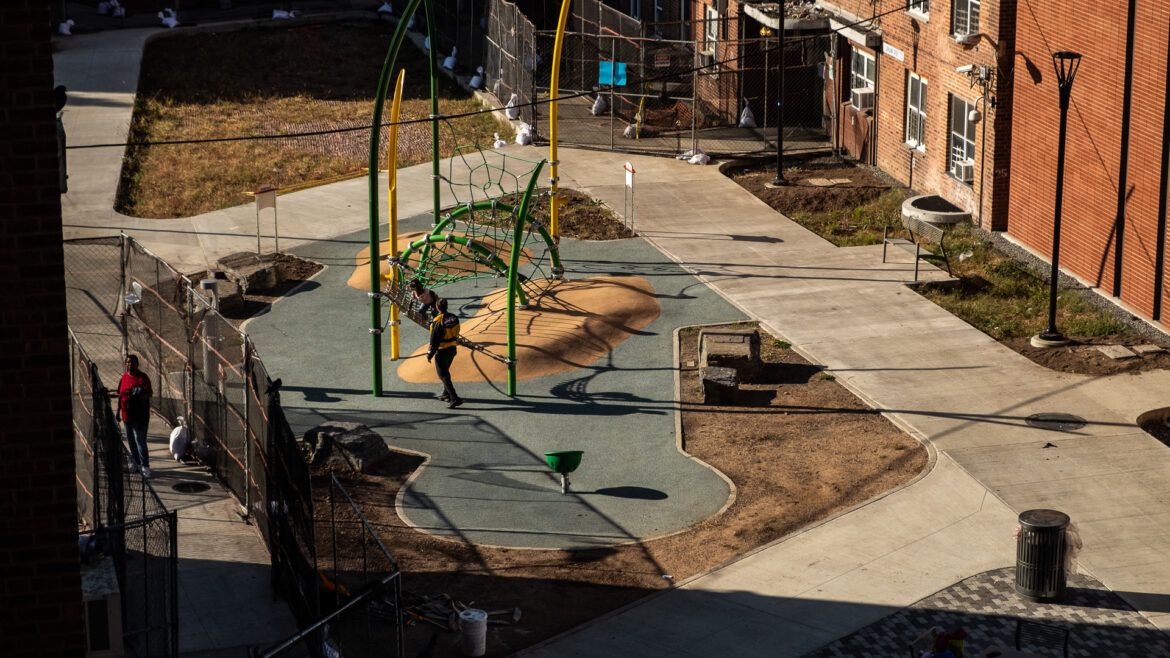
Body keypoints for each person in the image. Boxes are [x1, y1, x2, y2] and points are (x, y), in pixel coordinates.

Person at [118, 354, 154, 477]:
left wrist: (137, 395)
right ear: (125, 364)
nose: (130, 364)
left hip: (139, 416)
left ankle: (145, 466)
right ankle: (135, 462)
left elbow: (149, 393)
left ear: (137, 364)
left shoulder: (143, 378)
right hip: (126, 415)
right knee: (131, 441)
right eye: (128, 362)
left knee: (140, 441)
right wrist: (118, 412)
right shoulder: (124, 377)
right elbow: (121, 395)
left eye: (133, 362)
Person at [426, 298, 462, 408]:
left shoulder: (437, 321)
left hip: (442, 350)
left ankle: (454, 398)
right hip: (452, 348)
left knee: (443, 375)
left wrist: (429, 354)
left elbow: (434, 340)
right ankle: (446, 394)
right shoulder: (454, 317)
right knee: (445, 372)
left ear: (437, 307)